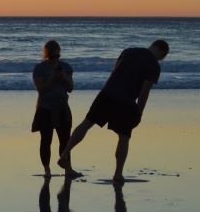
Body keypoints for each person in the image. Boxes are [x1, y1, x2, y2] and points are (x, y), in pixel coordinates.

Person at [66, 39, 169, 184]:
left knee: (87, 123)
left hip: (107, 93)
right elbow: (144, 91)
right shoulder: (154, 65)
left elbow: (116, 71)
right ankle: (118, 173)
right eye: (162, 57)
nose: (160, 60)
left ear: (152, 45)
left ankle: (65, 154)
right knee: (124, 137)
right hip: (126, 101)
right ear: (162, 53)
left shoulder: (128, 51)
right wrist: (139, 111)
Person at [30, 39, 76, 176]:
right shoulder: (39, 68)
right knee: (46, 140)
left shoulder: (66, 67)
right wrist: (53, 78)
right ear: (46, 54)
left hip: (62, 107)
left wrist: (63, 77)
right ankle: (47, 169)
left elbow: (70, 88)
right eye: (52, 54)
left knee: (65, 140)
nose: (55, 57)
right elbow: (41, 89)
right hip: (45, 108)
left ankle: (68, 168)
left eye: (57, 54)